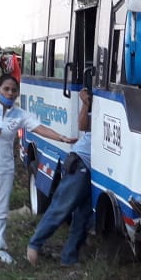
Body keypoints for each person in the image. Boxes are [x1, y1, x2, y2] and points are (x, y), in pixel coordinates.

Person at [0, 75, 77, 268]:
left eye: (13, 90)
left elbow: (40, 128)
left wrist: (62, 138)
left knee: (0, 211)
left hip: (5, 168)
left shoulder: (20, 114)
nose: (10, 93)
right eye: (6, 89)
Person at [26, 87, 93, 267]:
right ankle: (34, 245)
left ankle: (69, 257)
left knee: (83, 215)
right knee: (62, 206)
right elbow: (83, 126)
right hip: (82, 163)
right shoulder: (98, 105)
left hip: (95, 170)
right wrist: (86, 105)